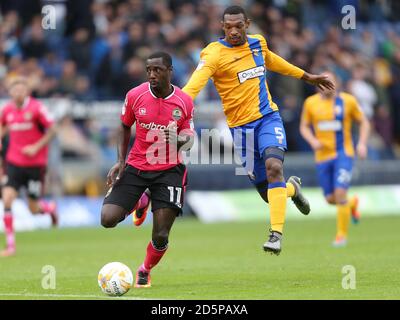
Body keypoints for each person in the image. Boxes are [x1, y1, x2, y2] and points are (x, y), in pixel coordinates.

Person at [181, 5, 334, 255]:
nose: (233, 31)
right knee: (267, 193)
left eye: (238, 26)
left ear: (247, 24)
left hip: (267, 119)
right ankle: (292, 189)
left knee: (275, 167)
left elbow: (273, 61)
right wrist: (178, 105)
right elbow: (194, 86)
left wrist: (307, 77)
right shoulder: (213, 54)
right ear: (222, 26)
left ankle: (275, 235)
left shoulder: (257, 44)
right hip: (241, 131)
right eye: (228, 26)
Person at [101, 51, 194, 288]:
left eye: (157, 70)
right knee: (107, 219)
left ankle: (145, 269)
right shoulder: (135, 95)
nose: (152, 75)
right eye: (149, 70)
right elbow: (124, 127)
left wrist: (177, 140)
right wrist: (121, 161)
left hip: (169, 170)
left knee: (161, 235)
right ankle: (142, 200)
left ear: (169, 71)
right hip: (137, 166)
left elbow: (190, 138)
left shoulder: (184, 101)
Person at [300, 71, 370, 247]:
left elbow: (364, 122)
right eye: (323, 82)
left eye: (330, 81)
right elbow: (304, 127)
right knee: (331, 199)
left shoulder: (348, 101)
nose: (326, 85)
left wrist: (361, 143)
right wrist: (313, 141)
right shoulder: (310, 103)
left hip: (343, 154)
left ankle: (341, 236)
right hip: (322, 156)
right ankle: (352, 203)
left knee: (339, 194)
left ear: (337, 83)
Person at [0, 77, 58, 257]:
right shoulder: (7, 110)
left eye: (20, 90)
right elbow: (2, 127)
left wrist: (36, 147)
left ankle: (49, 209)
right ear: (10, 93)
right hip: (13, 163)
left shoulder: (37, 108)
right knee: (7, 199)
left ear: (26, 91)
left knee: (33, 208)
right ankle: (10, 246)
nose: (17, 93)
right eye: (13, 90)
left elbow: (53, 130)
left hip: (35, 165)